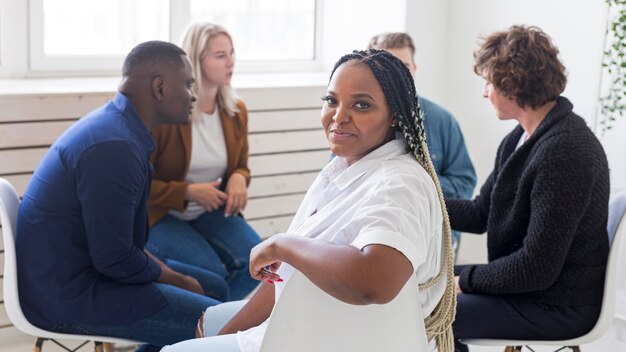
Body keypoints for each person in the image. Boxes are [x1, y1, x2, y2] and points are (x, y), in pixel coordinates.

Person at [161, 49, 457, 352]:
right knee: (206, 327)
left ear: (394, 115)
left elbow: (376, 281)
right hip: (311, 325)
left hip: (343, 339)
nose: (339, 116)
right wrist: (222, 339)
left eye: (362, 105)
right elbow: (282, 279)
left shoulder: (399, 183)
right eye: (331, 100)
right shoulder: (346, 167)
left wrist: (283, 244)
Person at [16, 41, 226, 351]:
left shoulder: (118, 127)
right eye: (188, 84)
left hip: (83, 275)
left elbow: (121, 248)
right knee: (218, 321)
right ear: (159, 87)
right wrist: (177, 280)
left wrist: (171, 277)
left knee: (215, 287)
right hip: (69, 297)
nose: (193, 94)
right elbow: (114, 259)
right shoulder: (114, 147)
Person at [448, 25, 610, 352]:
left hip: (559, 304)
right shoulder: (522, 138)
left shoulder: (566, 152)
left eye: (488, 82)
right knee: (420, 283)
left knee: (431, 312)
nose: (484, 92)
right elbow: (482, 213)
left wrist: (463, 282)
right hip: (535, 290)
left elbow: (535, 269)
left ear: (513, 83)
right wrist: (420, 203)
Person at [147, 22, 261, 301]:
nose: (231, 62)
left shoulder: (236, 110)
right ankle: (199, 334)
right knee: (209, 275)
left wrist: (238, 177)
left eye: (232, 53)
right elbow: (137, 184)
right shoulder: (166, 113)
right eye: (220, 55)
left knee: (256, 264)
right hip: (160, 214)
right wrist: (186, 192)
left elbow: (240, 165)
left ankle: (203, 333)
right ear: (194, 61)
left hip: (210, 212)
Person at [368, 32, 476, 253]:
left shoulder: (443, 120)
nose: (397, 76)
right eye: (386, 69)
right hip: (373, 235)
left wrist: (415, 184)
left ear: (414, 69)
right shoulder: (359, 122)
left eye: (404, 66)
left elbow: (465, 183)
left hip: (435, 238)